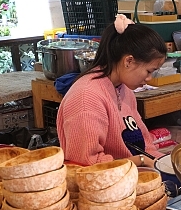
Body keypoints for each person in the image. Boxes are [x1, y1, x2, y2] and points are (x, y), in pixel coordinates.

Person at [57, 14, 168, 166]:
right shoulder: (86, 97)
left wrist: (163, 163)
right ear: (128, 61)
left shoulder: (124, 89)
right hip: (101, 183)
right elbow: (85, 163)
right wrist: (140, 161)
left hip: (130, 176)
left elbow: (145, 146)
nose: (149, 79)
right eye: (149, 71)